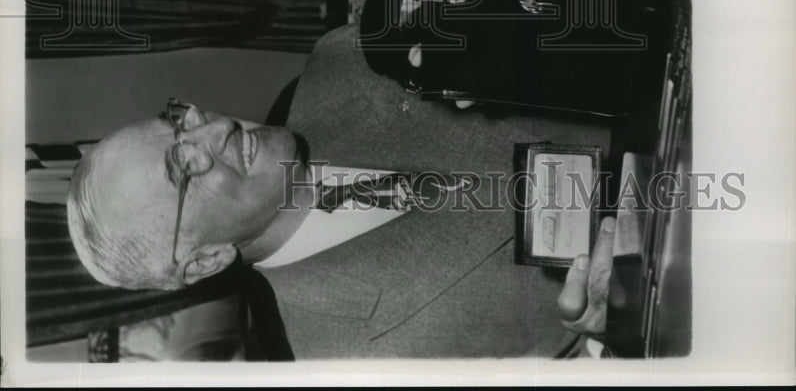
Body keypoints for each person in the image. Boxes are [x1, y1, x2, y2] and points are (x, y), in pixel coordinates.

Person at [67, 24, 621, 359]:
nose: (215, 130)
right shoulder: (354, 360)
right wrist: (600, 337)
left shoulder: (340, 64)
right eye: (186, 165)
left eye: (180, 123)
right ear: (207, 259)